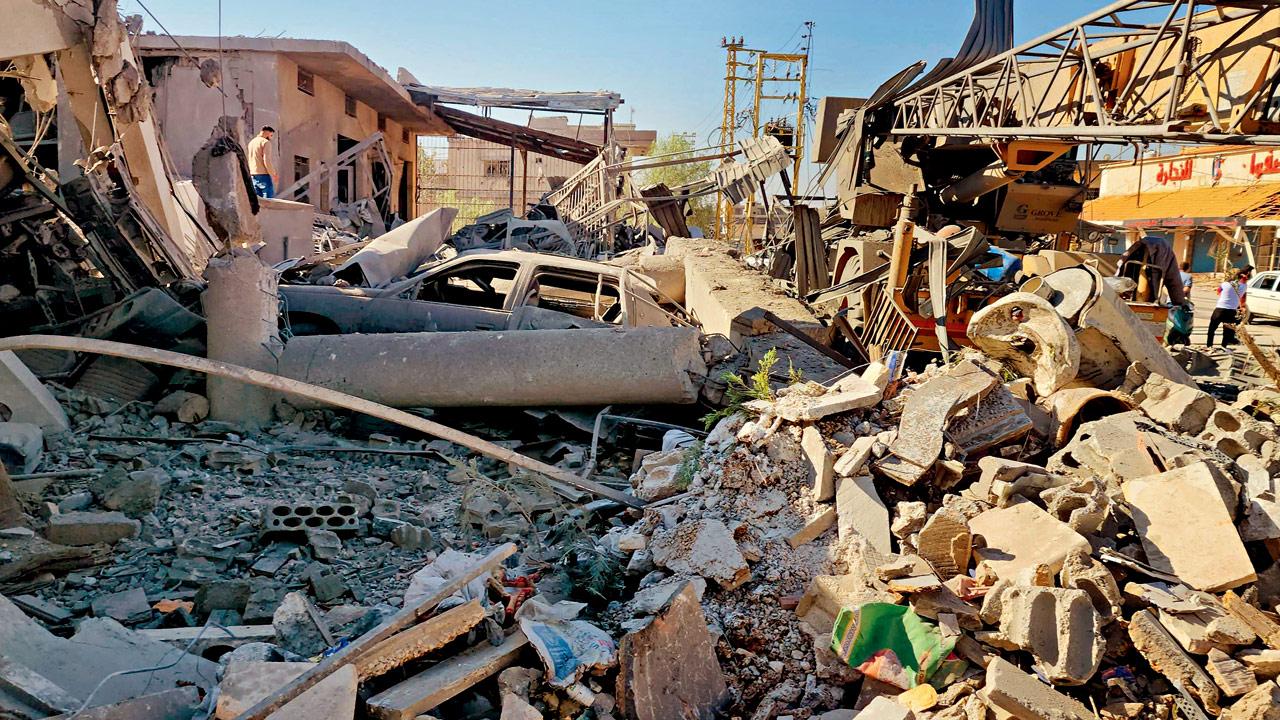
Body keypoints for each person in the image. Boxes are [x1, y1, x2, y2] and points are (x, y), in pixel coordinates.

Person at [1115, 234, 1187, 306]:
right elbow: (1174, 282)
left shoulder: (1135, 249)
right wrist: (1180, 303)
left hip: (1128, 299)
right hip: (1147, 301)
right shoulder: (1165, 251)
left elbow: (1119, 269)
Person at [1207, 268, 1247, 347]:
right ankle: (1223, 346)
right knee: (1227, 331)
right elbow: (1243, 296)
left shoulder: (1225, 284)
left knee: (1212, 329)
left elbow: (1218, 291)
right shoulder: (1244, 286)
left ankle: (1209, 346)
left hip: (1220, 309)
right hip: (1232, 311)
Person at [247, 126, 277, 198]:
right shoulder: (265, 142)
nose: (271, 138)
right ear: (267, 133)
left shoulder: (252, 142)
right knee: (268, 200)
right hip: (263, 174)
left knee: (257, 201)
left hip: (253, 174)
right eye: (271, 135)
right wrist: (273, 174)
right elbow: (267, 160)